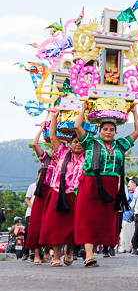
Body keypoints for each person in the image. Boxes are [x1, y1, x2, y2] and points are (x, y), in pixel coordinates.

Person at [74, 103, 138, 267]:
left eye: (112, 130)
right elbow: (77, 125)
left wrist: (134, 112)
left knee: (103, 221)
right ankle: (89, 254)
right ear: (99, 131)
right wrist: (83, 108)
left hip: (111, 185)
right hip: (91, 183)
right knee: (89, 218)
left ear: (115, 132)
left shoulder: (120, 145)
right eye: (105, 129)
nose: (108, 132)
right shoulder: (90, 143)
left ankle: (90, 249)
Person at [39, 110, 86, 266]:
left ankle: (70, 250)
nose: (78, 144)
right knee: (57, 227)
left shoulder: (88, 157)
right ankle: (57, 257)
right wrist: (54, 117)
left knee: (73, 227)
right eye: (75, 141)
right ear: (70, 144)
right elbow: (53, 136)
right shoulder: (62, 152)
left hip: (76, 196)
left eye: (80, 141)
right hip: (58, 194)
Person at [28, 121, 55, 265]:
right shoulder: (46, 158)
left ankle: (47, 251)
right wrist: (40, 129)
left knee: (50, 224)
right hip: (42, 193)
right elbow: (34, 144)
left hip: (54, 194)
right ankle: (37, 253)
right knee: (37, 223)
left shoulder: (64, 160)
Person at [119, 178, 138, 253]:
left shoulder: (136, 194)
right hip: (125, 217)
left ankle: (128, 248)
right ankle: (123, 247)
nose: (129, 184)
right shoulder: (128, 193)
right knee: (123, 234)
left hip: (132, 217)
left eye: (131, 182)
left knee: (130, 234)